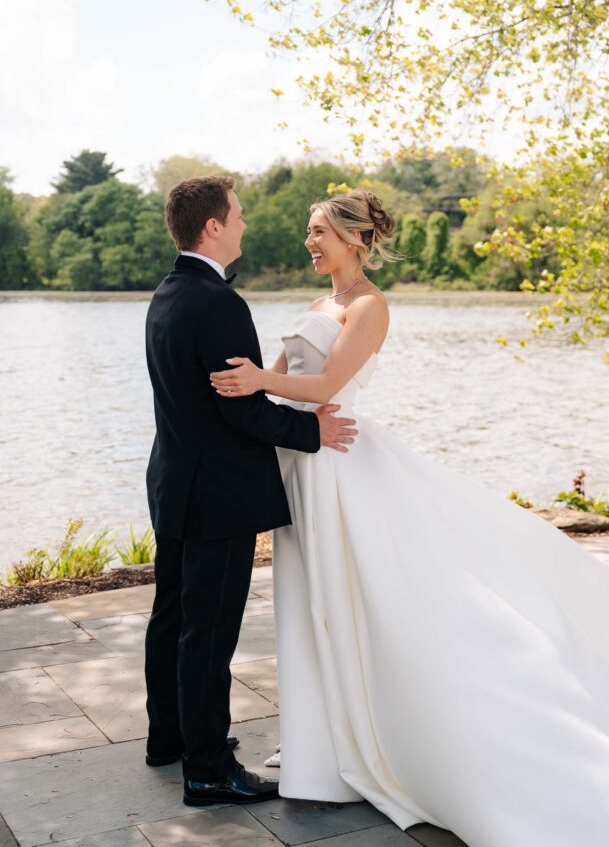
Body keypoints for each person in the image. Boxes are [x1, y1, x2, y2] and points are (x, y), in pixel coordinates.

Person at [210, 188, 609, 846]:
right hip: (302, 467)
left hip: (341, 467)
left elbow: (324, 387)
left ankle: (390, 734)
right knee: (310, 600)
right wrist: (253, 388)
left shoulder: (369, 307)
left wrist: (257, 380)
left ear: (351, 237)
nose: (308, 242)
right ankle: (322, 738)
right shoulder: (317, 304)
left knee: (364, 598)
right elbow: (281, 376)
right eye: (308, 232)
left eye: (317, 232)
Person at [144, 176, 357, 808]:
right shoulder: (217, 303)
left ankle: (171, 739)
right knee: (207, 633)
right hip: (219, 494)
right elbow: (238, 406)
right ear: (212, 225)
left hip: (175, 483)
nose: (244, 225)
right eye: (236, 215)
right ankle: (208, 771)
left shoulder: (166, 294)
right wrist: (310, 431)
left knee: (173, 620)